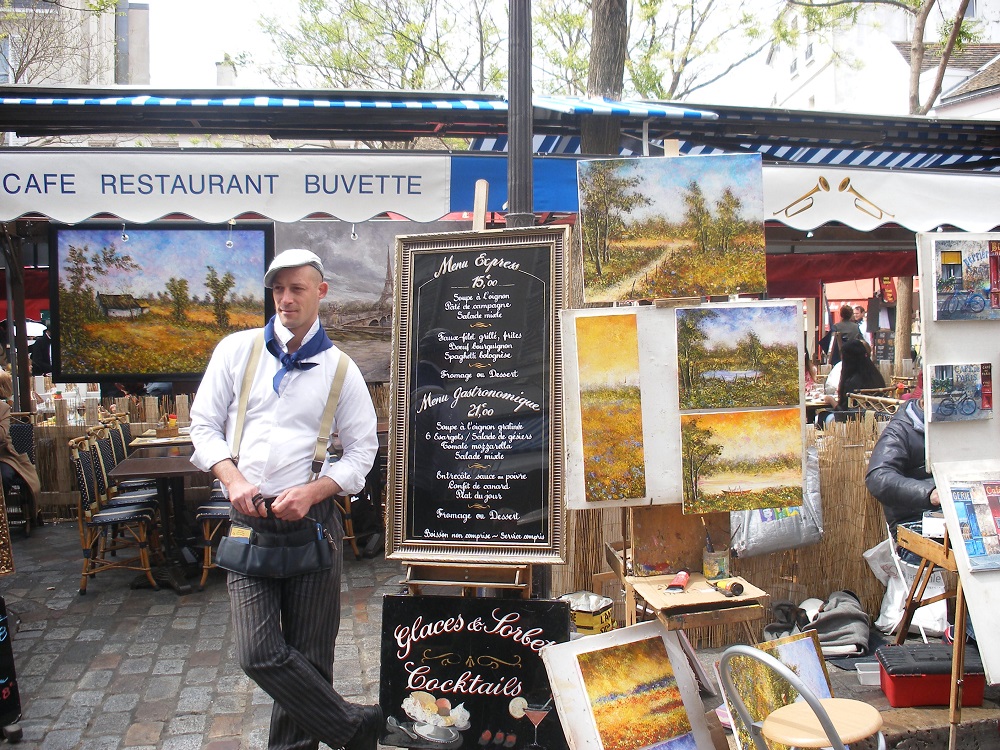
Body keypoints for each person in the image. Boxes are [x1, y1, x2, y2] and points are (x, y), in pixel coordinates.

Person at [190, 248, 381, 750]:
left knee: (311, 655)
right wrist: (231, 479)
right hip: (247, 516)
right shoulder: (236, 350)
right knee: (258, 653)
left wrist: (316, 489)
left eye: (297, 288)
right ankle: (352, 726)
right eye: (278, 288)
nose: (286, 298)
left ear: (321, 292)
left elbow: (363, 450)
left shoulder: (341, 369)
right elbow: (203, 426)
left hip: (313, 521)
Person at [865, 398, 937, 544]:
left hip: (955, 520)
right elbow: (878, 477)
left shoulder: (962, 428)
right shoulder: (899, 430)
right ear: (924, 401)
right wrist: (929, 493)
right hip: (916, 524)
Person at [0, 370, 41, 530]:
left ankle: (2, 517)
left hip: (3, 456)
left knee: (4, 476)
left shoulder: (2, 408)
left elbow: (2, 435)